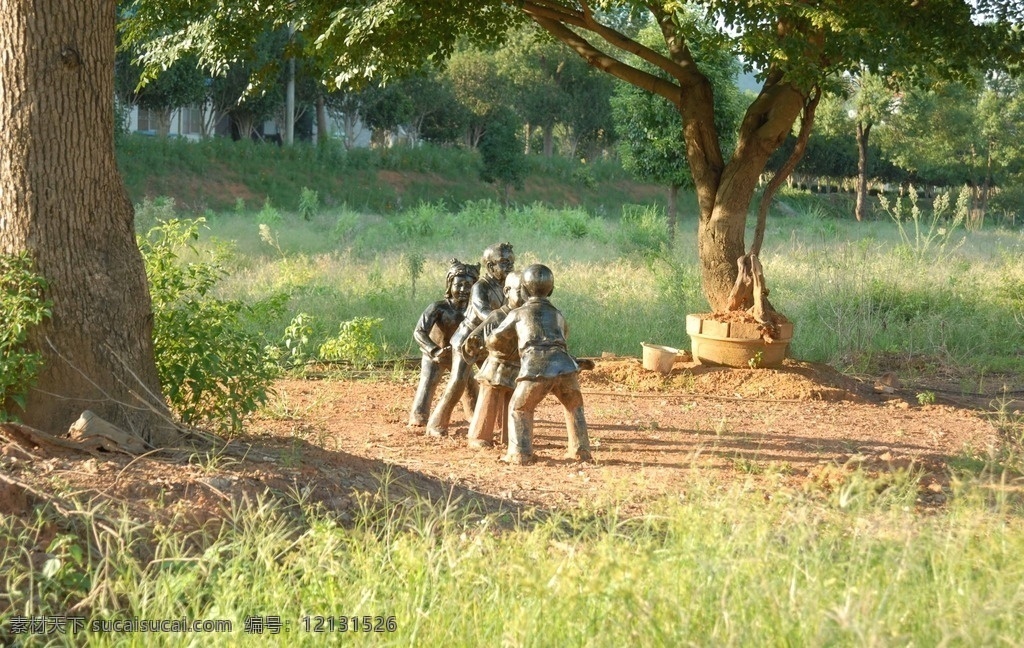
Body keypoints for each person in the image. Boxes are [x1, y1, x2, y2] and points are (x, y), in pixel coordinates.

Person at [486, 263, 593, 465]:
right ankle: (581, 451)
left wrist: (489, 339)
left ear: (524, 290)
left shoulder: (517, 314)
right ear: (551, 290)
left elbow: (496, 339)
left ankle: (520, 453)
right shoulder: (558, 314)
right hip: (565, 367)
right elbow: (564, 336)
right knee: (574, 406)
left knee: (520, 408)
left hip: (536, 368)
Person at [425, 242, 515, 437]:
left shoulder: (505, 287)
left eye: (511, 263)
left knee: (496, 380)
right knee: (458, 382)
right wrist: (507, 320)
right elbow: (484, 313)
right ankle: (436, 424)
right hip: (468, 341)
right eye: (505, 263)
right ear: (491, 267)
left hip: (488, 341)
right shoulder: (480, 287)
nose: (510, 267)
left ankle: (495, 424)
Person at [408, 259, 479, 428]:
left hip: (460, 356)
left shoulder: (473, 312)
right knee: (428, 382)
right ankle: (420, 415)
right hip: (435, 355)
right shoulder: (438, 308)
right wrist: (433, 351)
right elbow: (419, 332)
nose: (463, 290)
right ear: (449, 285)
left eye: (469, 286)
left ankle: (475, 416)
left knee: (469, 385)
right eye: (459, 285)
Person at [461, 271, 523, 449]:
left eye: (528, 291)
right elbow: (475, 337)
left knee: (514, 403)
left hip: (517, 369)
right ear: (506, 292)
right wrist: (472, 344)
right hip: (496, 368)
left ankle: (510, 436)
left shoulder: (527, 316)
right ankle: (479, 435)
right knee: (488, 400)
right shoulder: (497, 316)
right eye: (520, 291)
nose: (526, 296)